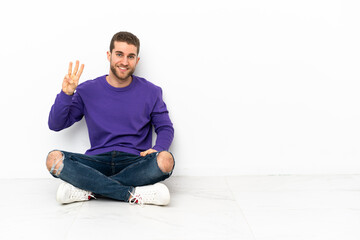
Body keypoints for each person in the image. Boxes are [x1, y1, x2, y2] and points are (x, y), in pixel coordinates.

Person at [46, 31, 175, 206]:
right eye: (119, 54)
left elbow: (165, 127)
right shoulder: (87, 90)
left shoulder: (151, 91)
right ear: (109, 55)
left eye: (130, 56)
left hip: (135, 161)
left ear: (137, 60)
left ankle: (89, 187)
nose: (124, 62)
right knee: (53, 159)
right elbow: (55, 124)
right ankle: (131, 194)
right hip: (97, 160)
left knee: (166, 160)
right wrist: (66, 94)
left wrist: (158, 148)